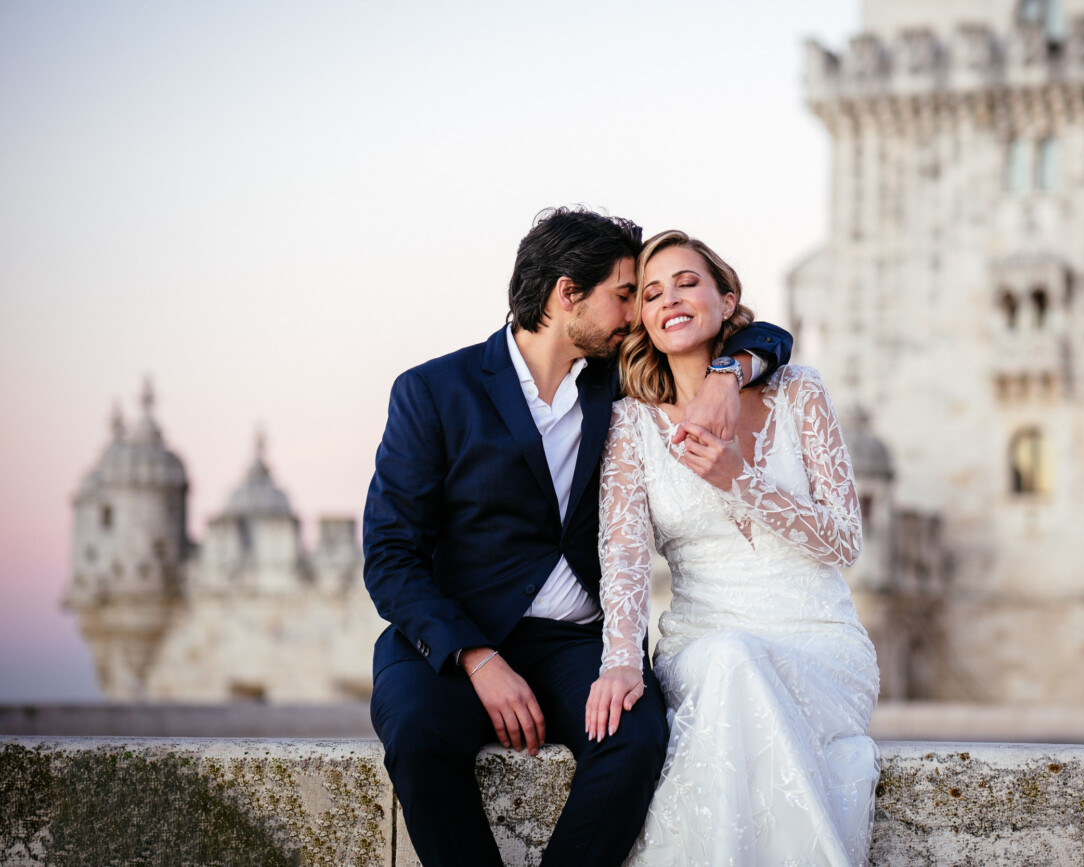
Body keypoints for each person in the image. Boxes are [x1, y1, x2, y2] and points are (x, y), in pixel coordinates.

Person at [363, 207, 792, 866]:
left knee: (636, 737)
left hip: (576, 641)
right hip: (454, 639)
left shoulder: (622, 378)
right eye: (626, 295)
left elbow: (769, 334)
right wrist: (476, 656)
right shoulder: (432, 391)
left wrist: (726, 377)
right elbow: (390, 556)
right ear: (568, 295)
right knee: (417, 736)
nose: (638, 314)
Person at [586, 230, 881, 866]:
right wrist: (619, 661)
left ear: (727, 299)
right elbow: (626, 559)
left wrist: (739, 479)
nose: (670, 299)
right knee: (728, 661)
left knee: (737, 669)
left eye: (687, 283)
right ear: (642, 318)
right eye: (653, 292)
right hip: (702, 644)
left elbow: (844, 541)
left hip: (819, 644)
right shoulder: (631, 423)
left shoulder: (799, 392)